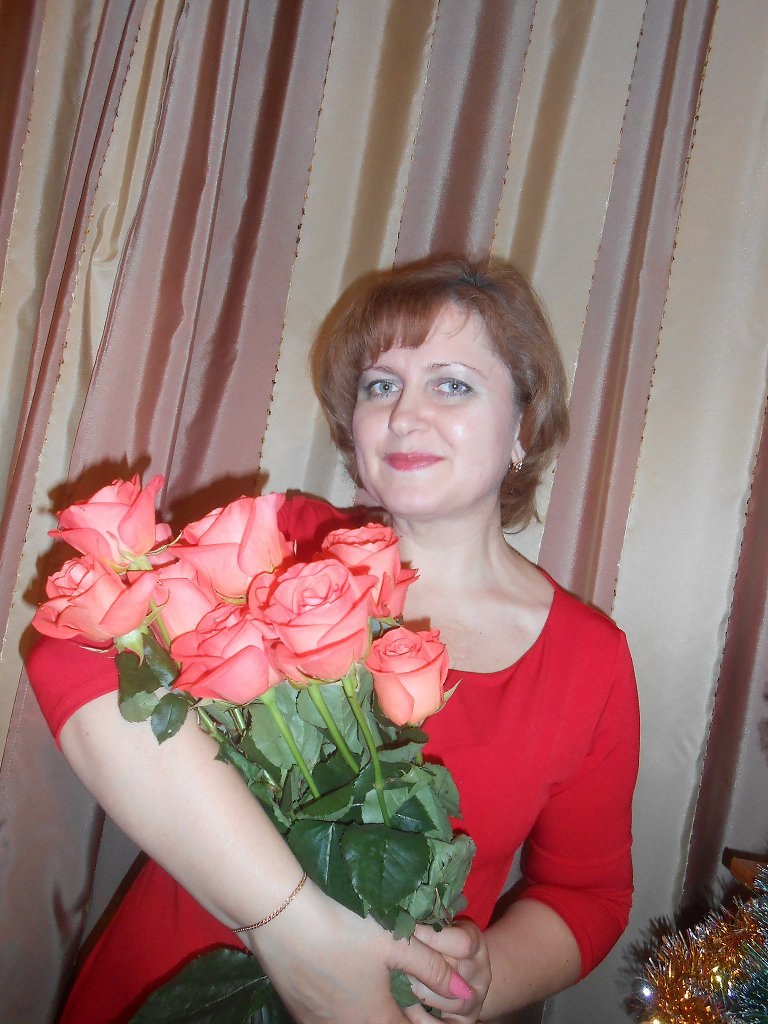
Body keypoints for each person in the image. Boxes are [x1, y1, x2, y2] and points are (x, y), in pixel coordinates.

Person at [27, 254, 640, 1023]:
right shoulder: (279, 545)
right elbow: (68, 655)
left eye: (452, 384)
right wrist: (294, 930)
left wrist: (483, 979)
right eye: (381, 386)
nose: (405, 415)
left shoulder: (589, 661)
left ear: (524, 422)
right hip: (167, 991)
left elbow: (587, 893)